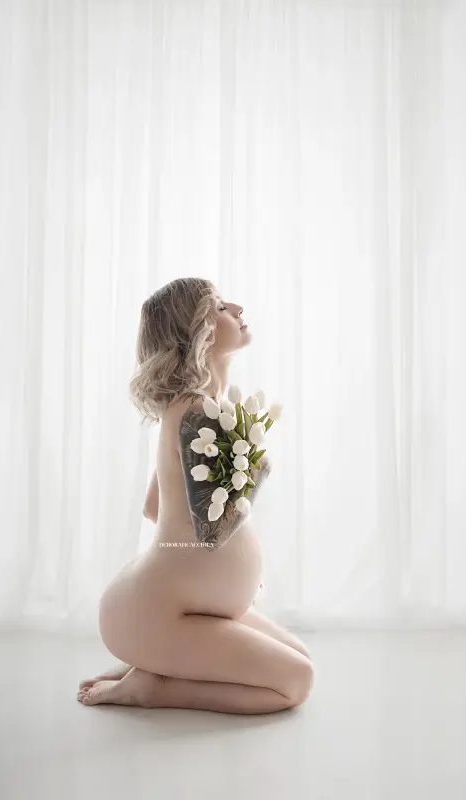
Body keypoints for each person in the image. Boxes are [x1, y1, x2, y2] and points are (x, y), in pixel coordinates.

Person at [77, 277, 314, 714]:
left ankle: (156, 663)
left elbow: (155, 506)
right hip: (161, 614)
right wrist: (255, 470)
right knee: (296, 682)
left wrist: (219, 579)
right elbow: (211, 531)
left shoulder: (199, 403)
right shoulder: (195, 408)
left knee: (299, 655)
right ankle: (154, 688)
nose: (238, 308)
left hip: (191, 608)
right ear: (199, 332)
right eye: (221, 306)